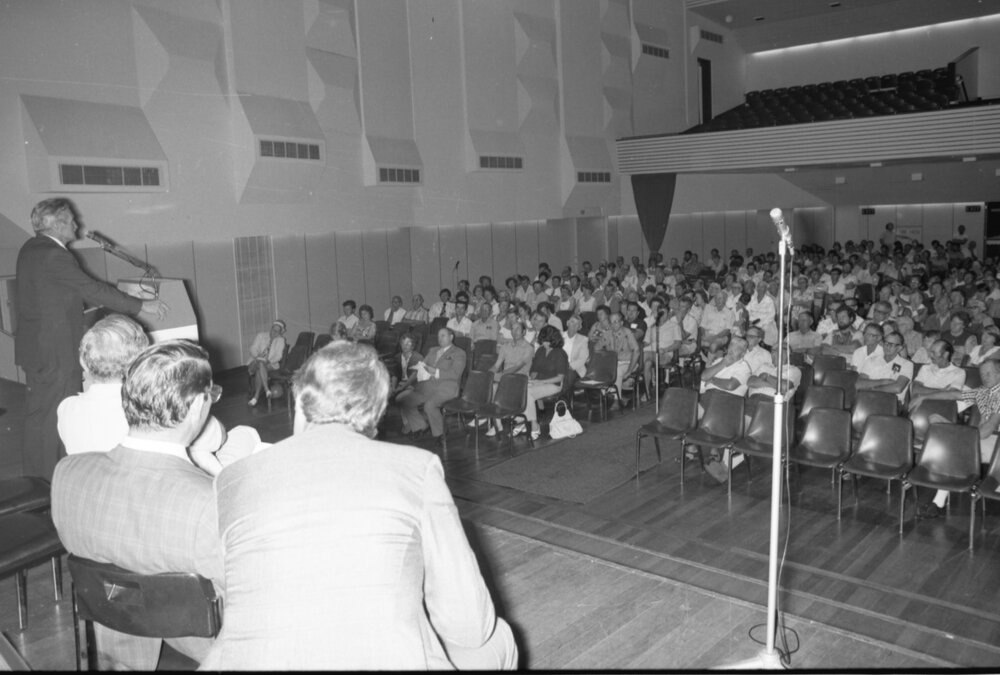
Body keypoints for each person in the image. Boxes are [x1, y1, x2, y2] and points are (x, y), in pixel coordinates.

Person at [201, 342, 517, 670]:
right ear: (377, 413)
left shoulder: (231, 479)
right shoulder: (417, 469)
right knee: (499, 638)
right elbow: (469, 628)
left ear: (301, 400)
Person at [51, 341, 223, 670]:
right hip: (201, 646)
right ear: (194, 408)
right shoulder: (208, 503)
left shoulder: (67, 474)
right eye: (210, 395)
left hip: (117, 635)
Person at [15, 198, 168, 480]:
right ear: (58, 224)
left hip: (37, 348)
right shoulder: (54, 254)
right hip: (56, 351)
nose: (77, 223)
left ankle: (38, 478)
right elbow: (90, 288)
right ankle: (52, 480)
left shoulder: (30, 249)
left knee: (40, 415)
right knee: (54, 414)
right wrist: (140, 305)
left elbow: (56, 294)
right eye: (71, 219)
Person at [909, 359, 1000, 519]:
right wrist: (923, 397)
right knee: (935, 419)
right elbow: (953, 394)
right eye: (982, 374)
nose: (985, 377)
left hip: (996, 445)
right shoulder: (984, 391)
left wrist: (962, 438)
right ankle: (941, 457)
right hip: (980, 438)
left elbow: (987, 431)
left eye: (989, 373)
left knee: (955, 448)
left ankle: (938, 501)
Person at [396, 328, 466, 448]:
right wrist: (408, 382)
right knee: (405, 400)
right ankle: (420, 426)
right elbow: (421, 366)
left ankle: (440, 433)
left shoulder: (459, 353)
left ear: (451, 337)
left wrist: (435, 371)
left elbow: (455, 374)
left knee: (430, 405)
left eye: (443, 336)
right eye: (438, 336)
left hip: (447, 388)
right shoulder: (433, 350)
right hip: (427, 386)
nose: (440, 339)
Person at [516, 326, 568, 441]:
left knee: (528, 393)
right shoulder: (540, 350)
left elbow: (560, 377)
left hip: (554, 384)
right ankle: (524, 421)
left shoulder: (560, 353)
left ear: (554, 340)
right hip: (539, 382)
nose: (544, 343)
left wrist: (540, 382)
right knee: (521, 389)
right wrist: (531, 380)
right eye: (543, 340)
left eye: (547, 341)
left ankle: (533, 425)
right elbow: (534, 370)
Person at [247, 319, 287, 406]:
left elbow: (278, 356)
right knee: (260, 363)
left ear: (280, 333)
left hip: (271, 364)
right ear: (271, 328)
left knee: (260, 368)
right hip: (255, 361)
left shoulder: (281, 340)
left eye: (277, 331)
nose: (274, 332)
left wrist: (269, 361)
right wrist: (258, 356)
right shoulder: (261, 335)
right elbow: (253, 348)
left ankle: (255, 397)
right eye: (273, 329)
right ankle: (266, 390)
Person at [390, 333, 423, 406]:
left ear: (412, 346)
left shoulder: (418, 358)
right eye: (403, 343)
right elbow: (394, 375)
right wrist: (393, 387)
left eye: (408, 344)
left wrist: (401, 388)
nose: (405, 346)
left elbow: (413, 377)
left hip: (412, 386)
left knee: (398, 399)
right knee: (384, 395)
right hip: (399, 384)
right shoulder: (397, 357)